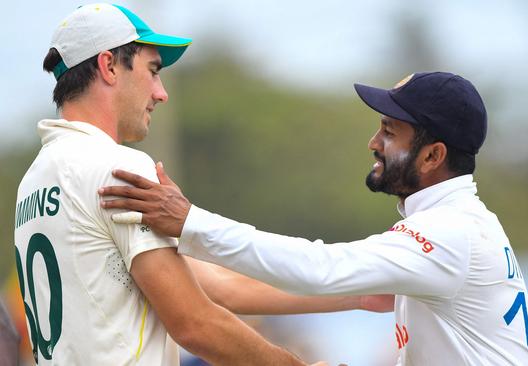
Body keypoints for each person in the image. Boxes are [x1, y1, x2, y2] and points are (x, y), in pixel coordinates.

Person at [15, 3, 384, 365]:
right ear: (108, 65)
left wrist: (361, 294)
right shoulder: (116, 166)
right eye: (153, 70)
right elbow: (194, 324)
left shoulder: (33, 180)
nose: (161, 93)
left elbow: (220, 288)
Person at [100, 72, 528, 365]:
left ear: (433, 155)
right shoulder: (456, 225)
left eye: (389, 131)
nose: (373, 142)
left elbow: (319, 270)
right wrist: (147, 252)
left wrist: (189, 220)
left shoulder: (446, 232)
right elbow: (246, 289)